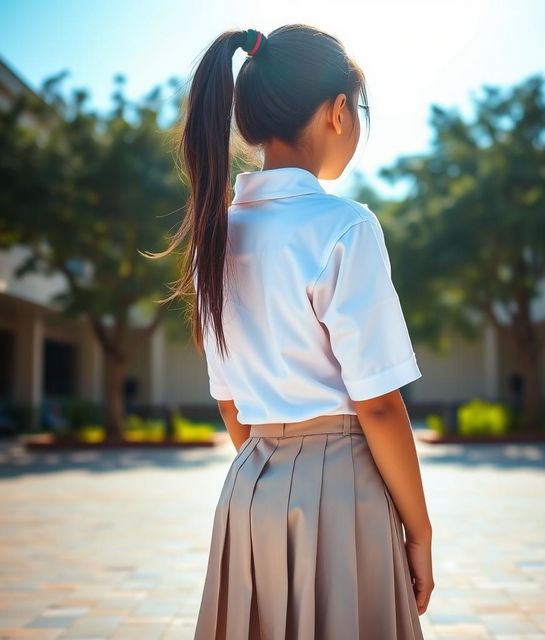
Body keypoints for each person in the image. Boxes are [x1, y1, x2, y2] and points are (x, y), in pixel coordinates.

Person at [166, 23, 434, 639]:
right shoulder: (344, 225)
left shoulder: (217, 233)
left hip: (250, 488)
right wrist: (419, 532)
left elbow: (230, 403)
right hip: (343, 490)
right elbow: (380, 403)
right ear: (339, 111)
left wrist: (278, 471)